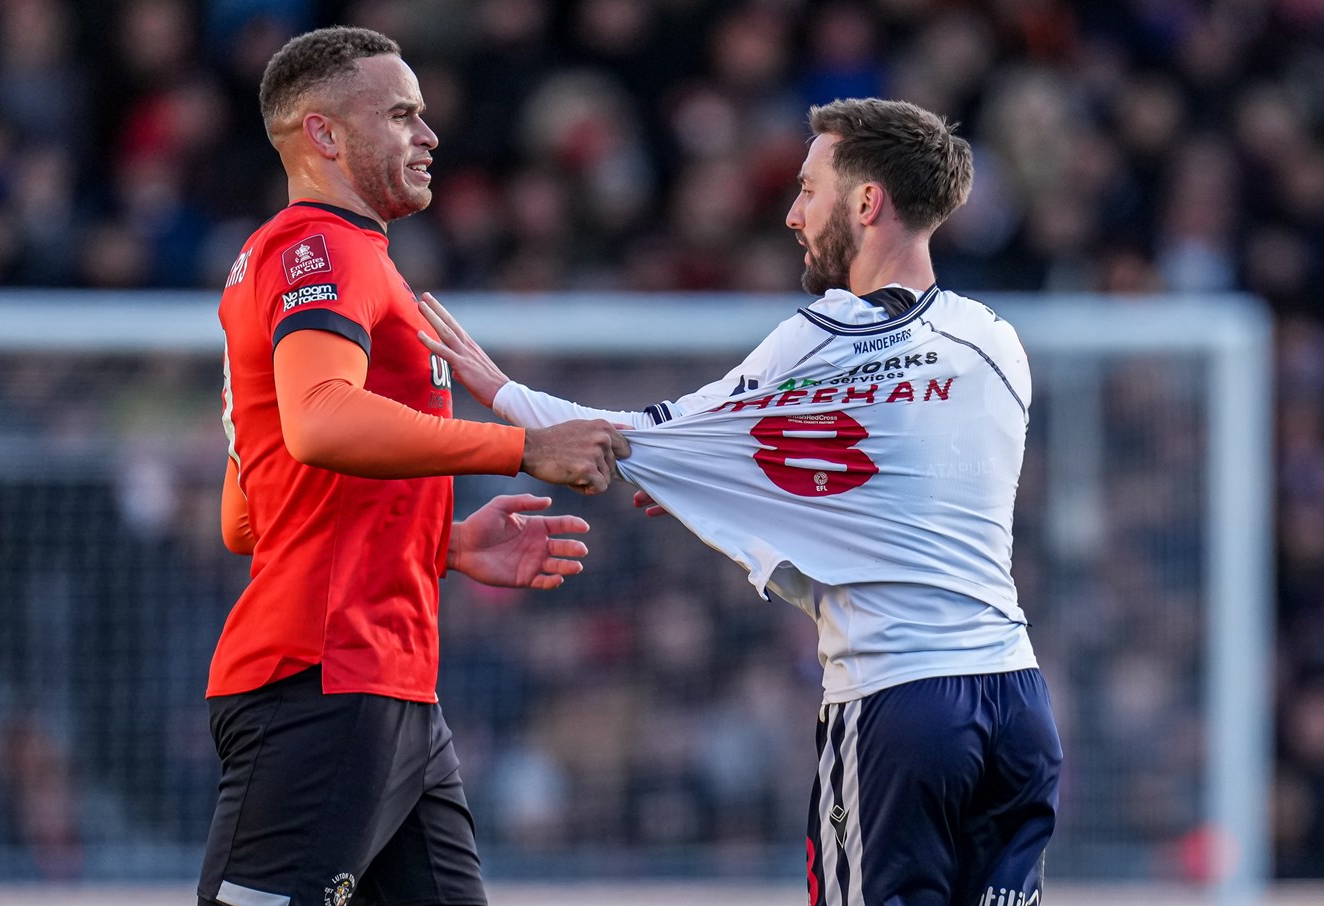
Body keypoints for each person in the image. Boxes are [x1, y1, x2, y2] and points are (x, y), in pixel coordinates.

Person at [419, 98, 1063, 906]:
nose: (792, 214)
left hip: (900, 705)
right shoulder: (996, 343)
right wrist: (722, 481)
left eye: (808, 190)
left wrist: (499, 388)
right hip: (1016, 703)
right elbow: (908, 474)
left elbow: (626, 441)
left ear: (867, 205)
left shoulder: (823, 338)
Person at [201, 26, 629, 906]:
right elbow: (323, 424)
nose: (429, 136)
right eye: (401, 115)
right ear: (323, 135)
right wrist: (521, 447)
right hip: (323, 675)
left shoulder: (319, 261)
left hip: (384, 681)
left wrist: (439, 541)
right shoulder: (321, 249)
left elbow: (249, 516)